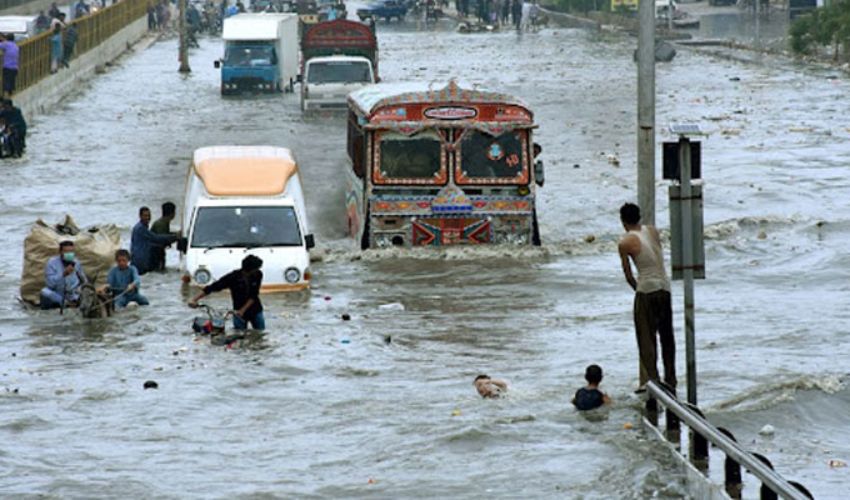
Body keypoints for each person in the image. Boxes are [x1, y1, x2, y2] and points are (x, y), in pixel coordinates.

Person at [618, 202, 676, 392]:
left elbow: (628, 275)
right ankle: (671, 380)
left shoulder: (625, 242)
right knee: (667, 337)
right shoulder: (652, 231)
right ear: (639, 217)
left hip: (646, 289)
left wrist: (638, 289)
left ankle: (653, 384)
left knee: (646, 341)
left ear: (623, 221)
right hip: (664, 287)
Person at [188, 255, 265, 331]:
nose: (257, 270)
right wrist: (194, 299)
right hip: (237, 311)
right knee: (239, 334)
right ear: (250, 270)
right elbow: (213, 287)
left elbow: (254, 295)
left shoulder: (258, 275)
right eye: (256, 269)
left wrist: (242, 310)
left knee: (260, 332)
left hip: (255, 310)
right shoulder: (233, 277)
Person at [131, 206, 178, 275]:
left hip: (139, 260)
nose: (147, 217)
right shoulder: (140, 228)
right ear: (140, 216)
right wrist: (175, 237)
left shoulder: (141, 227)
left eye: (149, 215)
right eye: (145, 216)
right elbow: (155, 238)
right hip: (140, 262)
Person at [40, 240, 87, 309]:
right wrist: (63, 275)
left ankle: (74, 302)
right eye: (66, 252)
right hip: (59, 294)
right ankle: (66, 303)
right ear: (60, 252)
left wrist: (80, 290)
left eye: (71, 252)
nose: (69, 254)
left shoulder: (76, 263)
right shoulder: (52, 263)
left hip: (73, 294)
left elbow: (84, 281)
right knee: (45, 292)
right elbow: (50, 284)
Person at [150, 201, 177, 271]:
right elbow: (162, 239)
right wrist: (176, 237)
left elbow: (166, 235)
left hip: (157, 252)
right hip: (156, 253)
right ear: (172, 213)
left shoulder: (164, 222)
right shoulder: (160, 224)